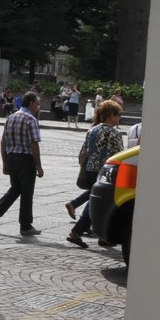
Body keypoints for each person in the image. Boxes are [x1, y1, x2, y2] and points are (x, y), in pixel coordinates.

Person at [66, 100, 126, 246]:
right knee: (101, 203)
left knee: (95, 201)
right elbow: (119, 154)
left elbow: (85, 151)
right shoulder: (114, 133)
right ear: (111, 115)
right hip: (105, 172)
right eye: (118, 115)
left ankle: (82, 231)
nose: (119, 119)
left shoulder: (92, 130)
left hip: (91, 170)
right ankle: (85, 233)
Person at [0, 91, 45, 236]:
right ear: (31, 103)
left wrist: (5, 163)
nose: (38, 107)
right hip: (26, 159)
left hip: (12, 158)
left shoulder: (11, 118)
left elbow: (3, 142)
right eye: (37, 104)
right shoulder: (31, 119)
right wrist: (38, 165)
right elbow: (34, 144)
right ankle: (25, 226)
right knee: (27, 193)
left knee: (16, 188)